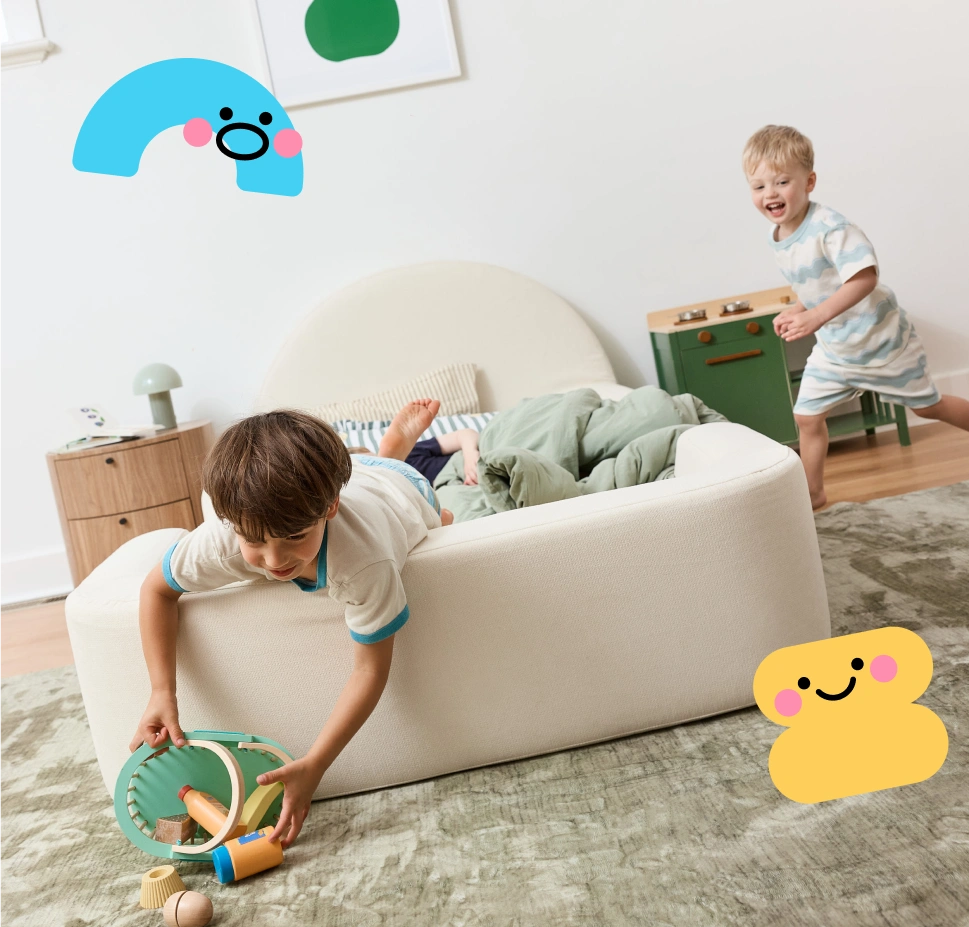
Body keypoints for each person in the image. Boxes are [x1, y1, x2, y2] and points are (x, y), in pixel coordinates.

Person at [129, 404, 455, 850]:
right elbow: (156, 591)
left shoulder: (364, 563)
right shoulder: (220, 541)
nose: (275, 560)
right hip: (350, 478)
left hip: (399, 488)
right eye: (254, 542)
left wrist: (316, 762)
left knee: (440, 517)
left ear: (329, 509)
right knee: (350, 475)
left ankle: (395, 452)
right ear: (230, 525)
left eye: (295, 539)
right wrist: (161, 691)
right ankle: (379, 451)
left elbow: (370, 670)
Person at [743, 125, 969, 509]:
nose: (771, 194)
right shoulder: (777, 234)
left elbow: (863, 278)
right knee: (807, 417)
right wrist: (800, 307)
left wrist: (815, 316)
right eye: (759, 186)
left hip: (882, 344)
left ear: (809, 181)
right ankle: (813, 495)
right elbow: (820, 283)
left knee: (926, 406)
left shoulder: (832, 228)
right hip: (837, 351)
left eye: (782, 182)